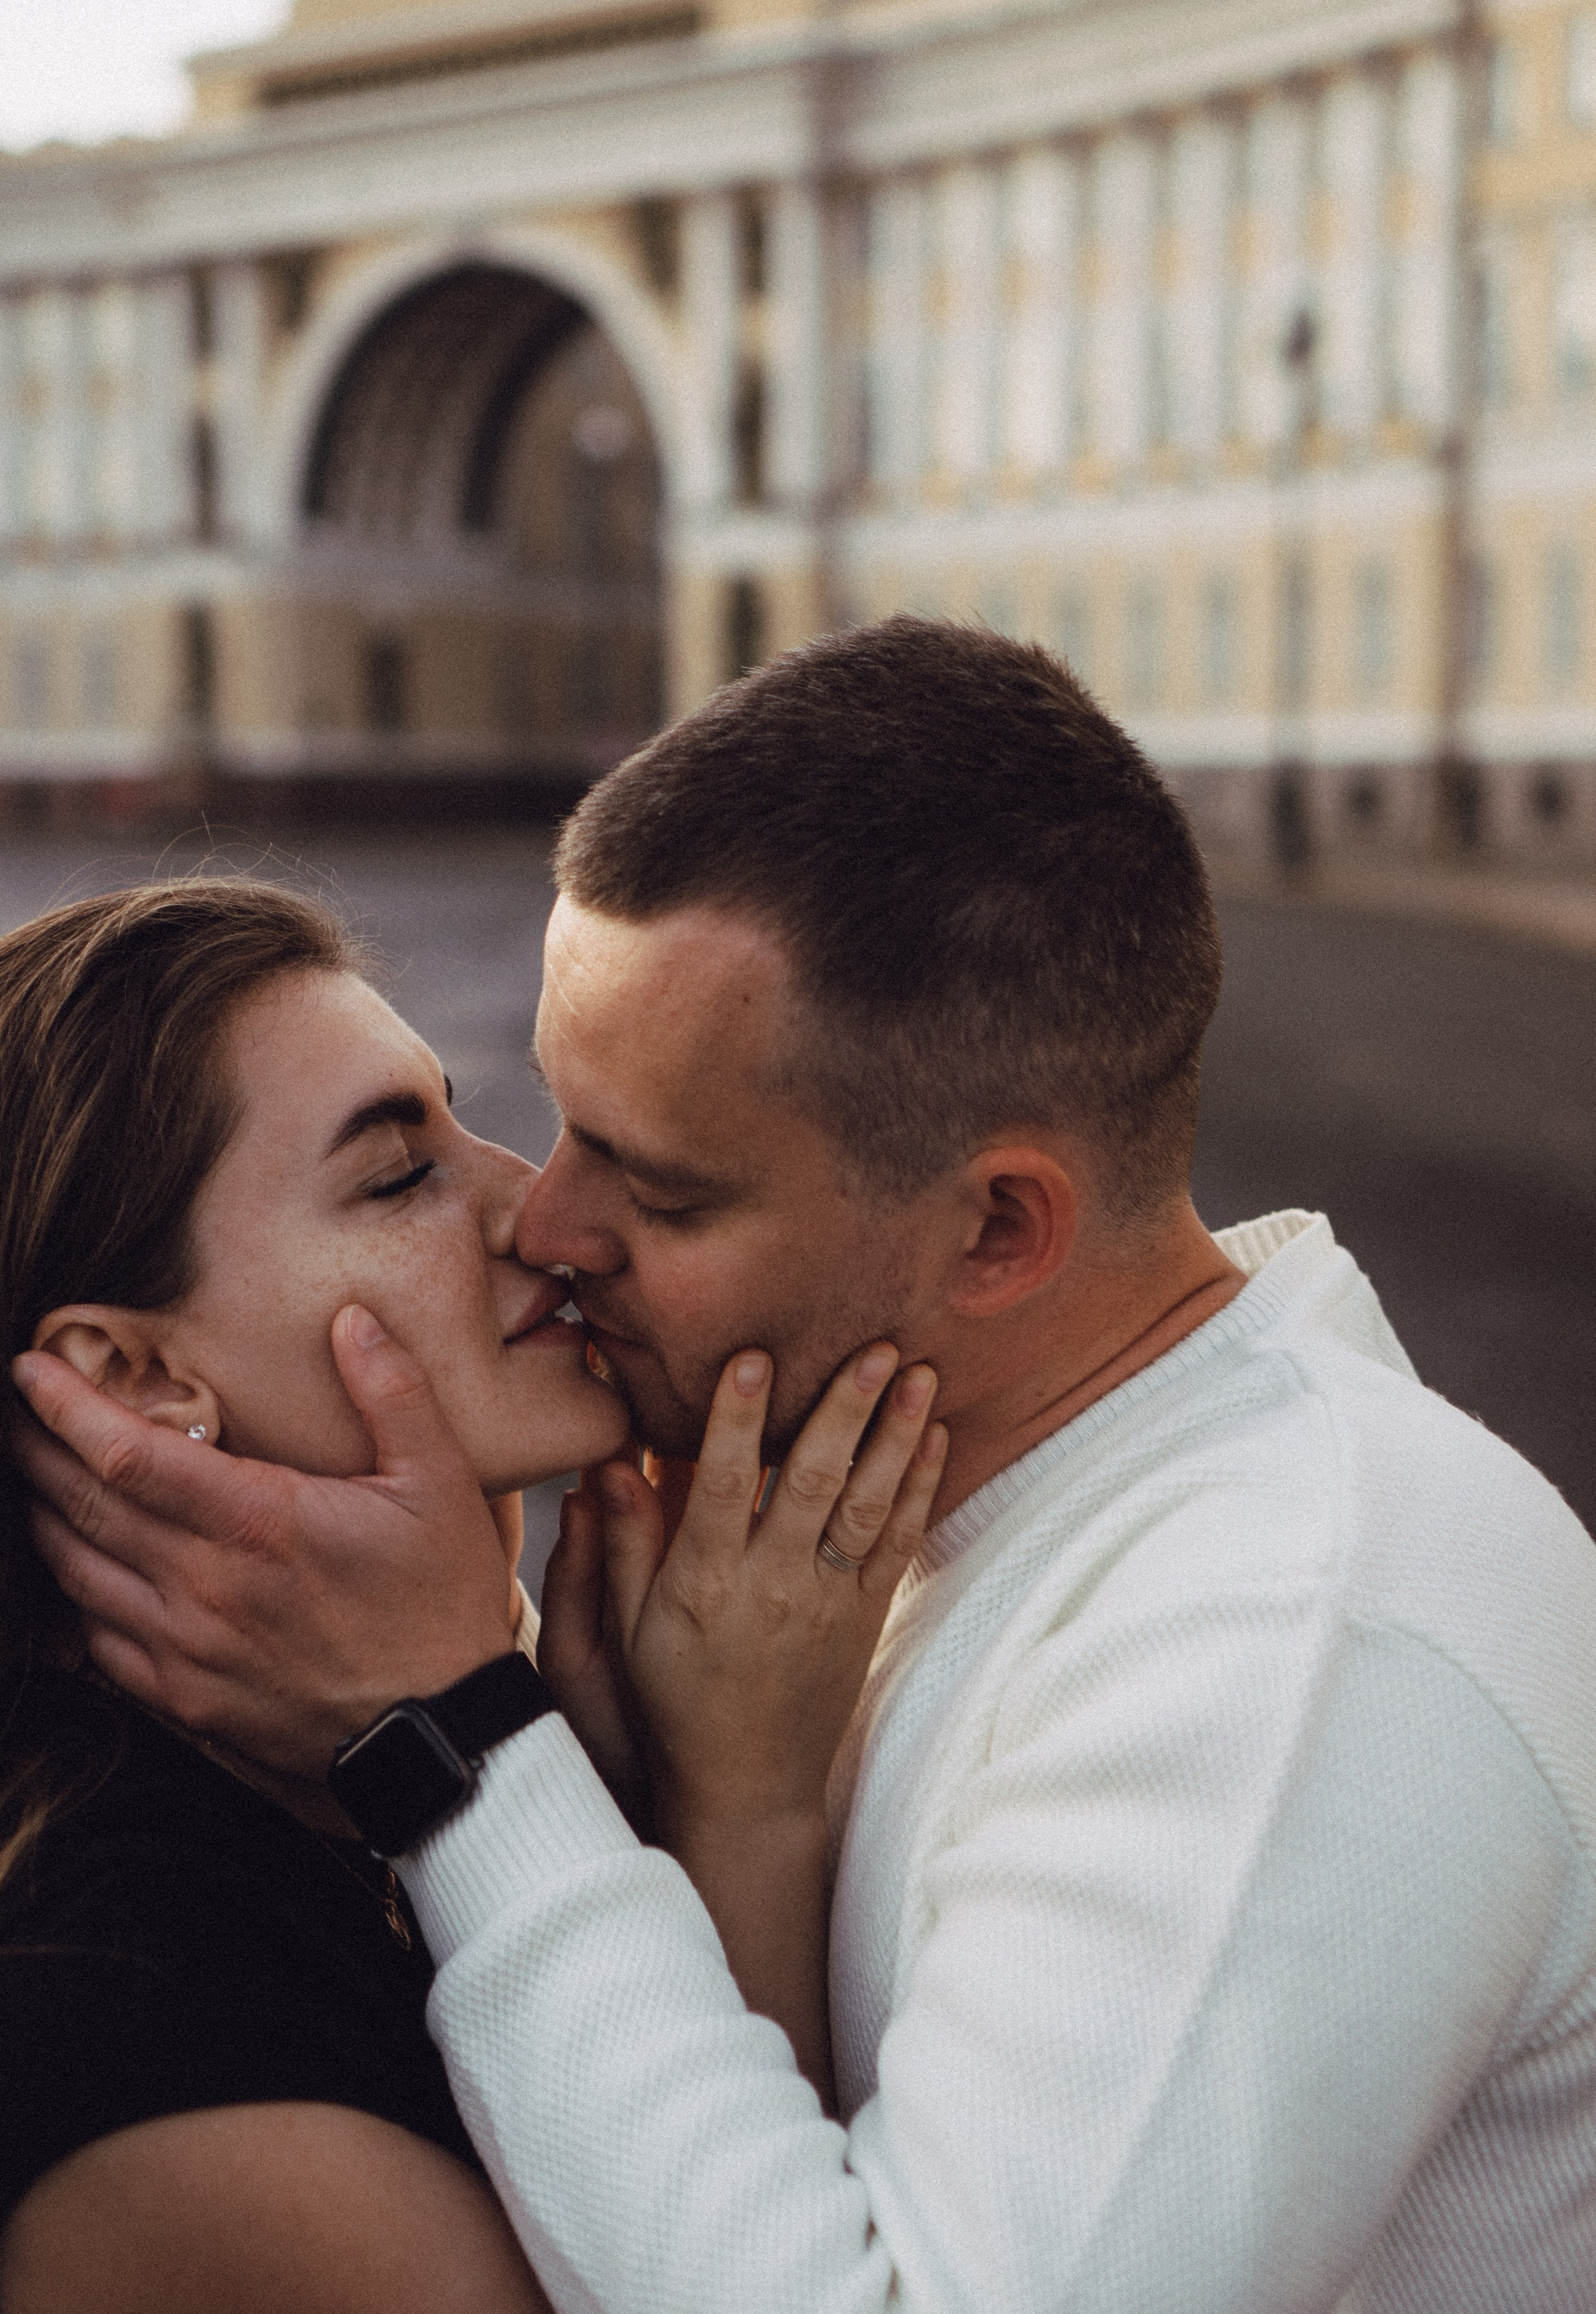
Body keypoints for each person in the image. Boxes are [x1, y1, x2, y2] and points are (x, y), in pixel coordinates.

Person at [23, 620, 1596, 2312]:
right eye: (540, 1119)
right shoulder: (838, 1554)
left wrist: (461, 1747)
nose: (548, 1223)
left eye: (661, 1185)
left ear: (999, 1229)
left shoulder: (1298, 1632)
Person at [0, 874, 941, 2311]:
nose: (542, 1211)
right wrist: (735, 1810)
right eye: (396, 1175)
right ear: (132, 1379)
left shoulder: (302, 1816)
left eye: (457, 1119)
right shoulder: (150, 2047)